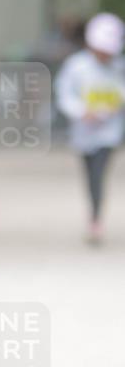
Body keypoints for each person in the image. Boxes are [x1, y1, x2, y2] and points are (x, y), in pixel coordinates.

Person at [55, 12, 125, 245]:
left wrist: (115, 103)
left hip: (109, 133)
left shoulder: (119, 68)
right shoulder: (77, 67)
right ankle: (94, 215)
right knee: (89, 175)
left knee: (98, 173)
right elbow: (64, 94)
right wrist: (81, 111)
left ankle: (95, 220)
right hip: (83, 133)